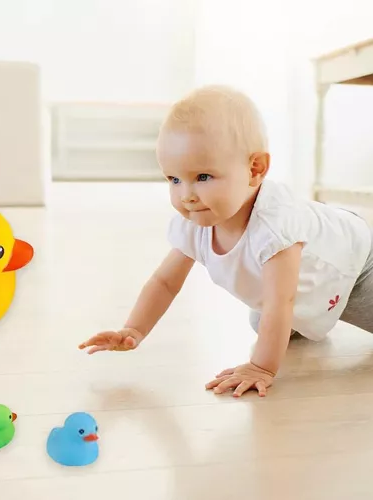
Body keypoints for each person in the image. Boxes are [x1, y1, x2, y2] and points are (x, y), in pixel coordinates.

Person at [78, 85, 373, 398]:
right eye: (174, 179)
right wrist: (134, 329)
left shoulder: (275, 227)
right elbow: (164, 282)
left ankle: (304, 316)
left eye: (203, 177)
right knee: (264, 322)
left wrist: (261, 366)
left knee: (274, 314)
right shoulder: (197, 219)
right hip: (300, 285)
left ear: (254, 169)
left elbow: (280, 302)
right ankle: (303, 318)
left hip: (354, 267)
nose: (187, 195)